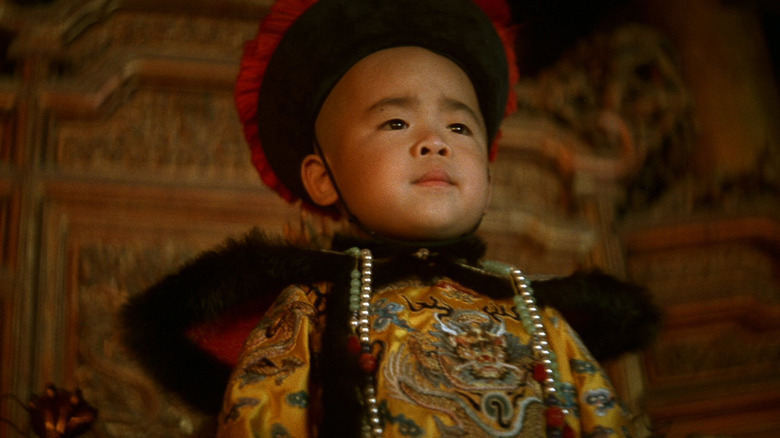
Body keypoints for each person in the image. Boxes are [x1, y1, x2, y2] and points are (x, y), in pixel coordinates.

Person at [121, 0, 659, 437]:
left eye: (460, 128)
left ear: (489, 176)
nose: (435, 143)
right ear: (323, 178)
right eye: (397, 122)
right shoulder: (306, 313)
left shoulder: (540, 317)